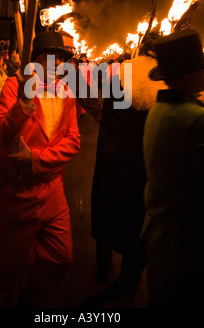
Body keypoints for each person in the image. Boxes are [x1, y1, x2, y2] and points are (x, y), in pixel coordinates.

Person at [0, 31, 80, 308]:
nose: (59, 63)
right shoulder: (14, 85)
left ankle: (27, 295)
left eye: (64, 58)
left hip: (53, 191)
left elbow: (73, 140)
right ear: (37, 60)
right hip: (19, 195)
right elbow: (1, 135)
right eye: (52, 57)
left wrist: (37, 159)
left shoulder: (66, 91)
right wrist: (24, 103)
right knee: (2, 271)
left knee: (60, 257)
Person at [142, 28, 204, 308]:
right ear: (188, 73)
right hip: (189, 247)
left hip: (162, 241)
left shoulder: (159, 110)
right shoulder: (195, 118)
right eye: (201, 66)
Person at [80, 32, 165, 307]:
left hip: (111, 160)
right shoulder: (159, 85)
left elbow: (99, 106)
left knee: (106, 212)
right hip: (140, 166)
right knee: (134, 220)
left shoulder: (120, 76)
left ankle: (102, 267)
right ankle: (128, 277)